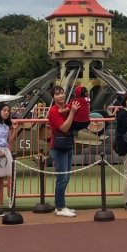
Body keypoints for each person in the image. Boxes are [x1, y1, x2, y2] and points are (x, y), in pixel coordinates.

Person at [48, 85, 80, 218]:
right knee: (62, 178)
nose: (60, 95)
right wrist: (72, 112)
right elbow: (64, 128)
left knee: (66, 177)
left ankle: (60, 205)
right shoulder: (54, 111)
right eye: (57, 94)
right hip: (59, 145)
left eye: (62, 93)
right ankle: (60, 207)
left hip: (67, 144)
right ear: (53, 97)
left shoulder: (66, 107)